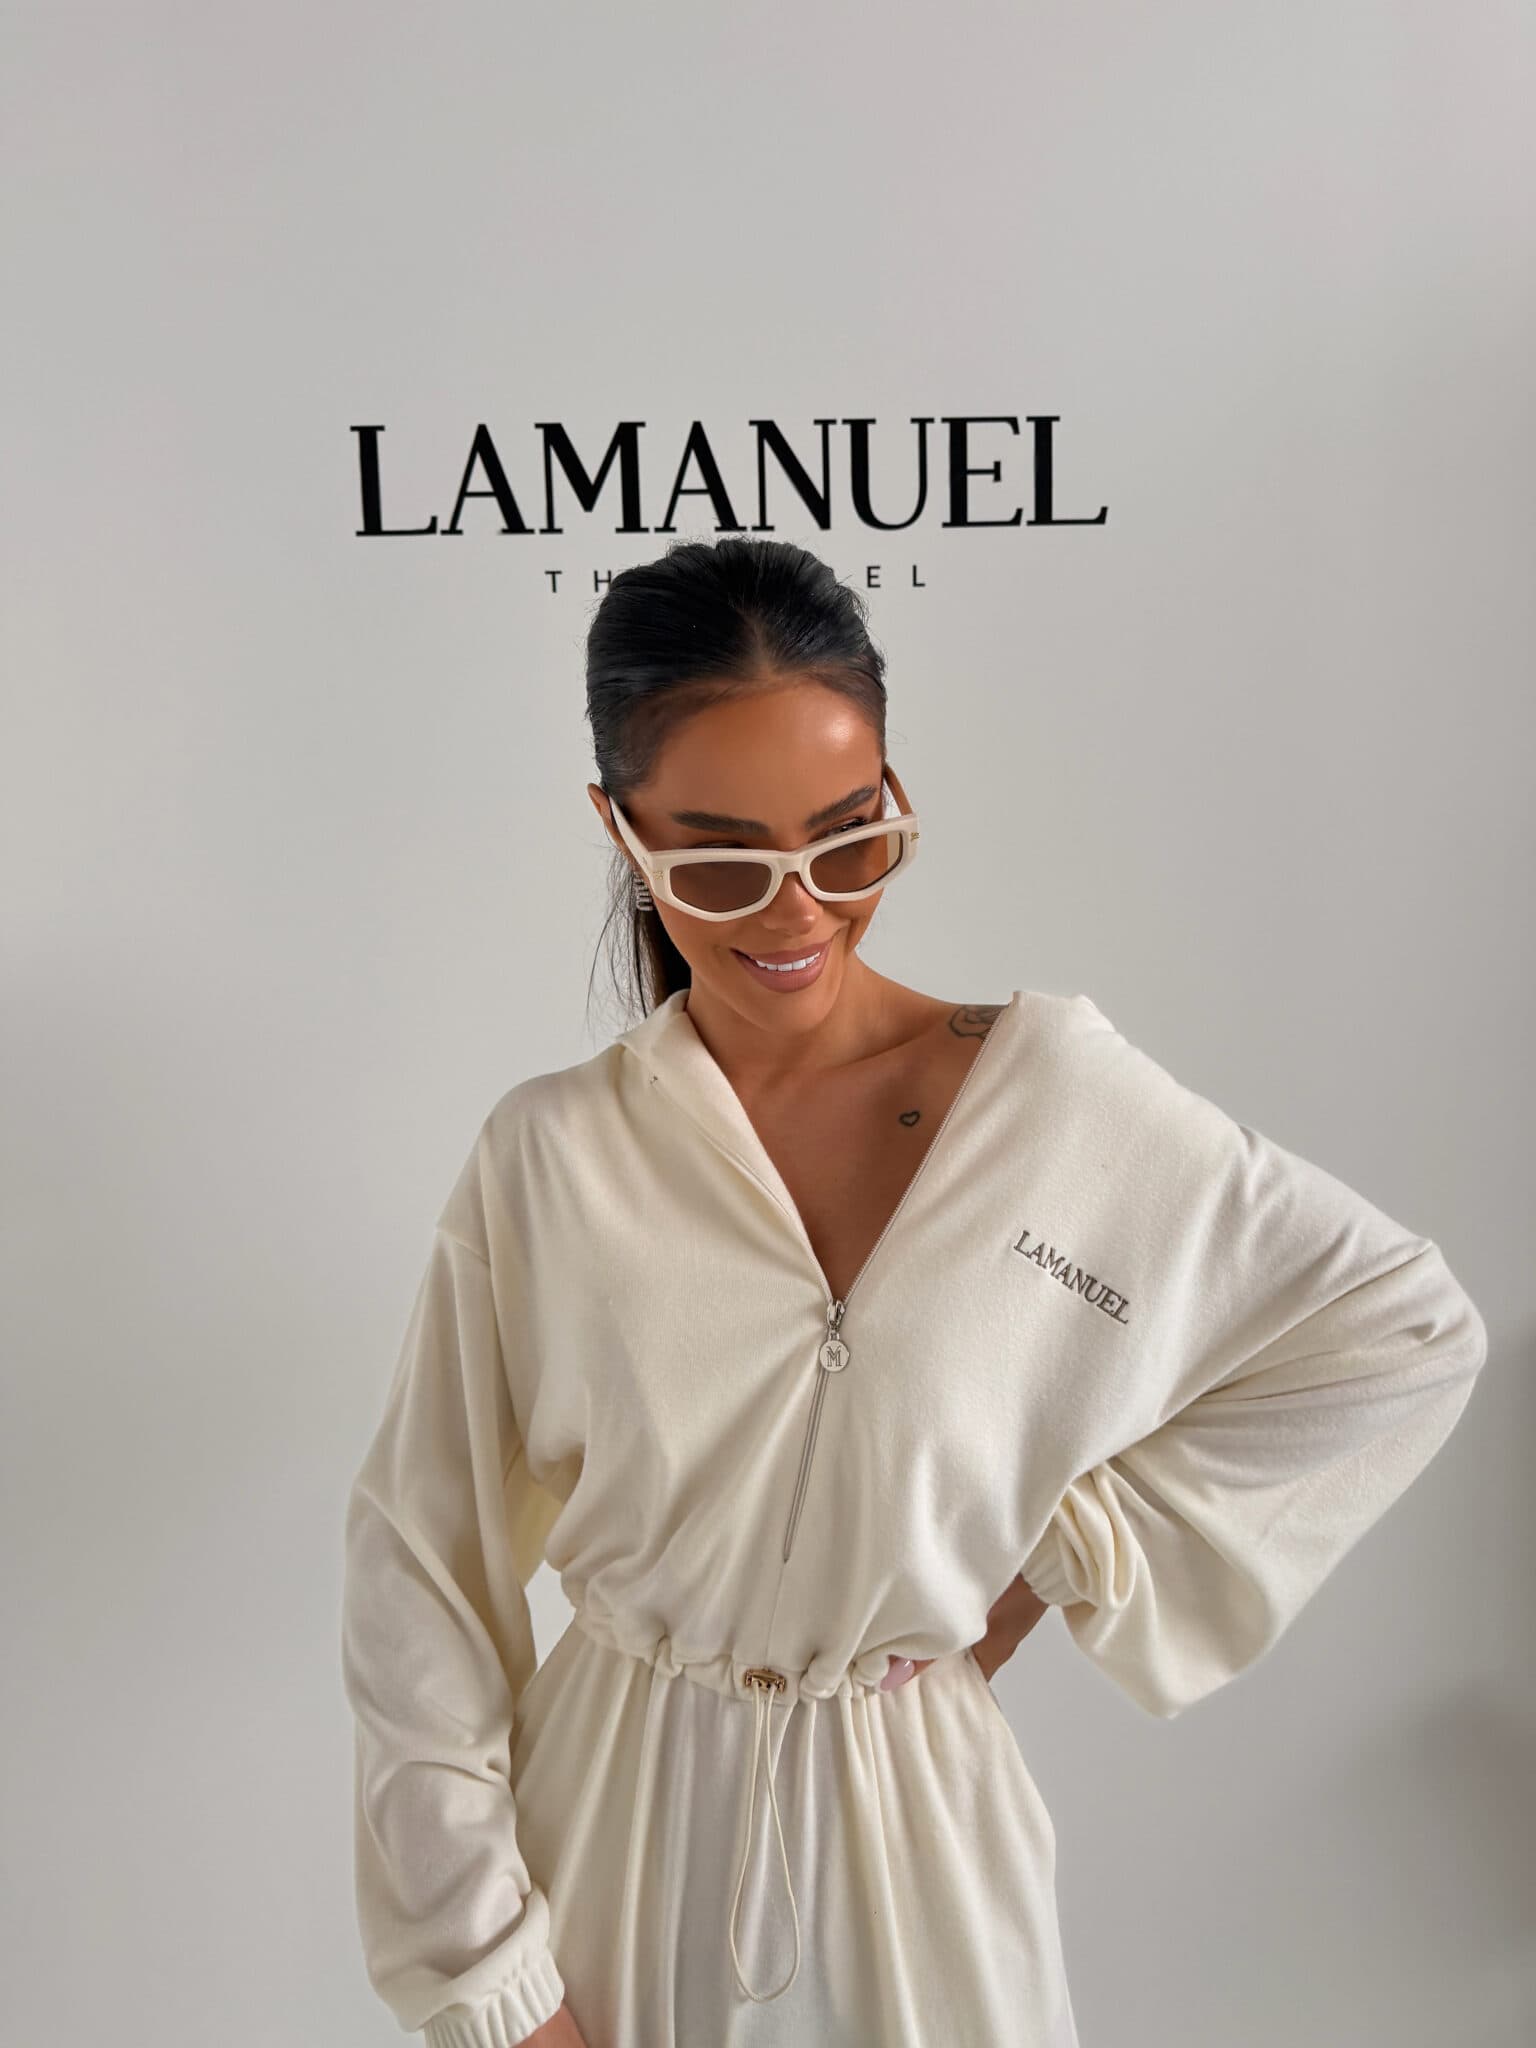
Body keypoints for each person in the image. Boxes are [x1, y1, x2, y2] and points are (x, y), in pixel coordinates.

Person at [339, 538, 1489, 2048]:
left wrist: (1067, 1548)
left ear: (891, 792)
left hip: (920, 1851)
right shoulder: (552, 1156)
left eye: (850, 842)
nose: (798, 913)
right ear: (620, 829)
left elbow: (1401, 1331)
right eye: (724, 862)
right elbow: (421, 1570)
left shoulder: (1061, 1110)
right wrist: (490, 1982)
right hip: (606, 1840)